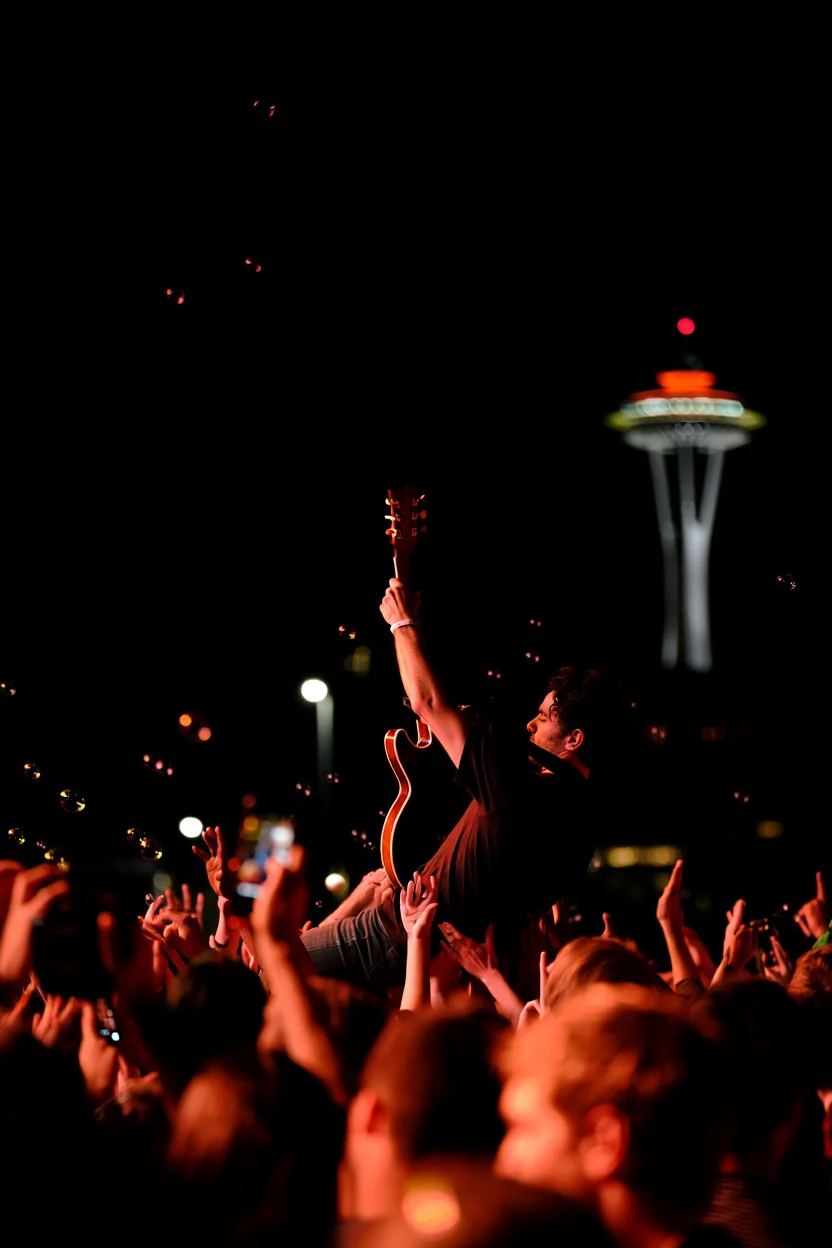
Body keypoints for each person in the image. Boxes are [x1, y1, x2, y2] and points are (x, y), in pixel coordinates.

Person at [301, 574, 629, 993]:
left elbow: (428, 702)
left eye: (544, 717)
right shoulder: (579, 824)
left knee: (265, 969)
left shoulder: (524, 791)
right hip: (437, 961)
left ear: (574, 739)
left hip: (394, 937)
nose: (530, 723)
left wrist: (402, 624)